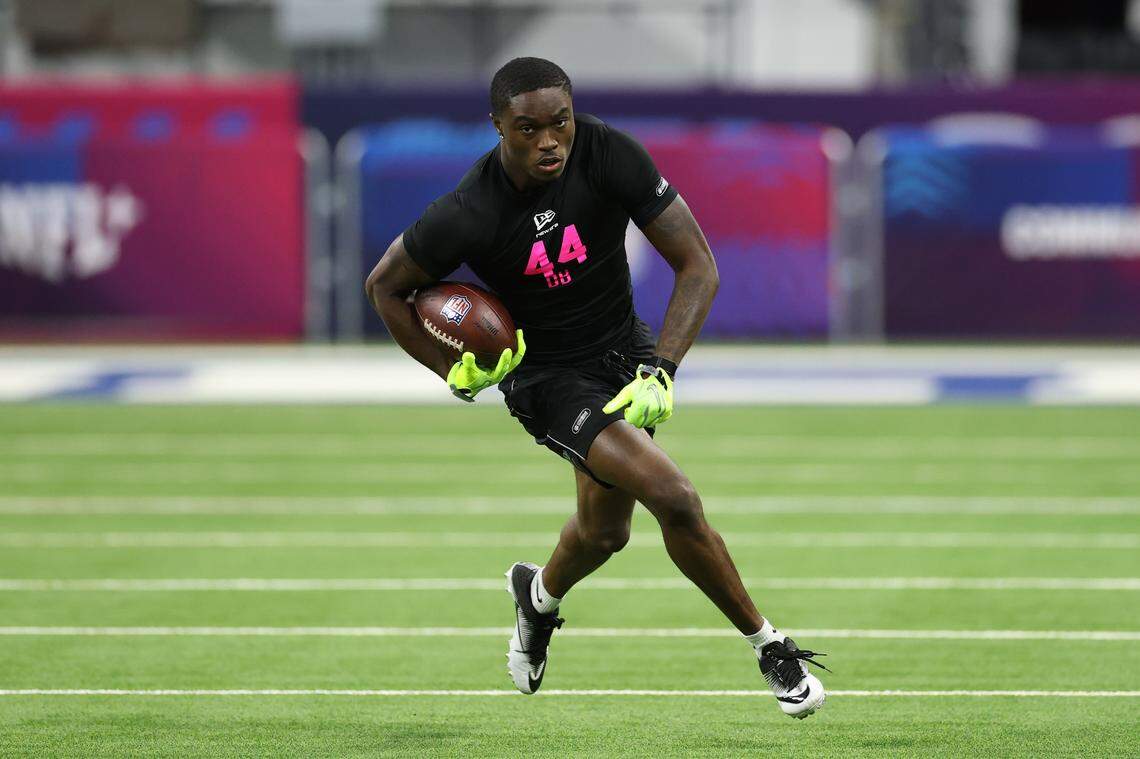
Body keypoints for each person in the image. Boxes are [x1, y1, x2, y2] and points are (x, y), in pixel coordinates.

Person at [364, 57, 828, 718]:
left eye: (560, 122)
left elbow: (698, 265)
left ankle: (538, 596)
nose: (549, 140)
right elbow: (385, 287)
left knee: (605, 532)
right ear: (498, 127)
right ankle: (770, 646)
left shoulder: (608, 153)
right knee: (673, 494)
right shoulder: (470, 210)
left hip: (624, 352)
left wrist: (661, 366)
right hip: (546, 376)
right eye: (528, 129)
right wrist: (450, 372)